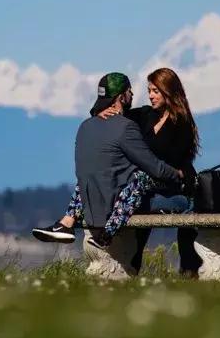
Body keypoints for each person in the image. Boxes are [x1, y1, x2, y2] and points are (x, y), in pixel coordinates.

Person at [31, 72, 189, 250]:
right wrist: (101, 110)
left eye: (155, 91)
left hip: (168, 181)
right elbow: (114, 112)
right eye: (148, 90)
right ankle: (67, 222)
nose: (148, 95)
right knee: (93, 175)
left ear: (169, 92)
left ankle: (106, 232)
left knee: (139, 177)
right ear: (121, 97)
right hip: (140, 182)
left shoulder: (181, 124)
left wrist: (177, 174)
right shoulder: (143, 115)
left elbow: (163, 166)